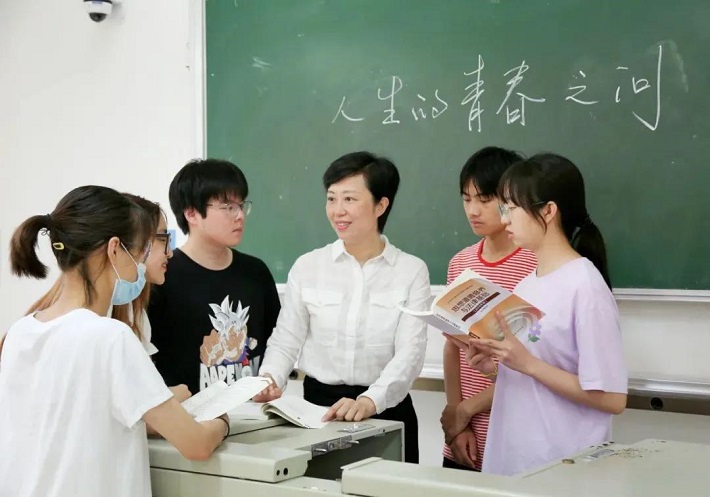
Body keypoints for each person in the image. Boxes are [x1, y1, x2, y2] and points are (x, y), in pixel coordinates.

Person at [0, 186, 229, 497]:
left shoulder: (20, 332)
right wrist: (222, 421)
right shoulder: (111, 337)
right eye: (141, 252)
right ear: (115, 250)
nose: (143, 263)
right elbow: (196, 444)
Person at [256, 151, 431, 464]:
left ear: (380, 205)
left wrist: (369, 401)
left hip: (386, 411)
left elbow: (410, 353)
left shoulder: (411, 271)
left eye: (349, 199)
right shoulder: (308, 266)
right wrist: (269, 379)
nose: (338, 210)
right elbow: (286, 339)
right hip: (318, 413)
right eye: (331, 199)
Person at [459, 153, 628, 476]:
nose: (505, 219)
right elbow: (533, 372)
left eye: (511, 208)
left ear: (548, 211)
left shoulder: (585, 286)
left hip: (561, 467)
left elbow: (612, 398)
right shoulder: (527, 283)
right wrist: (495, 369)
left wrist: (527, 364)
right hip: (514, 460)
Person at [24, 194, 190, 404]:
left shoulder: (131, 310)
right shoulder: (110, 332)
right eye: (161, 239)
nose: (170, 253)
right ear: (117, 248)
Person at [148, 159, 281, 395]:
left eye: (241, 205)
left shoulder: (256, 272)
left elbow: (277, 343)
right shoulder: (163, 276)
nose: (240, 216)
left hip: (251, 411)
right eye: (228, 207)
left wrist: (272, 380)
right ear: (191, 213)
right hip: (188, 413)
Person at [440, 147, 536, 471]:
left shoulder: (534, 265)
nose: (473, 210)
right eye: (466, 199)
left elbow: (531, 363)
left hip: (513, 430)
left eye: (484, 199)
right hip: (462, 432)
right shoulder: (461, 263)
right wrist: (457, 419)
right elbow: (452, 347)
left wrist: (468, 408)